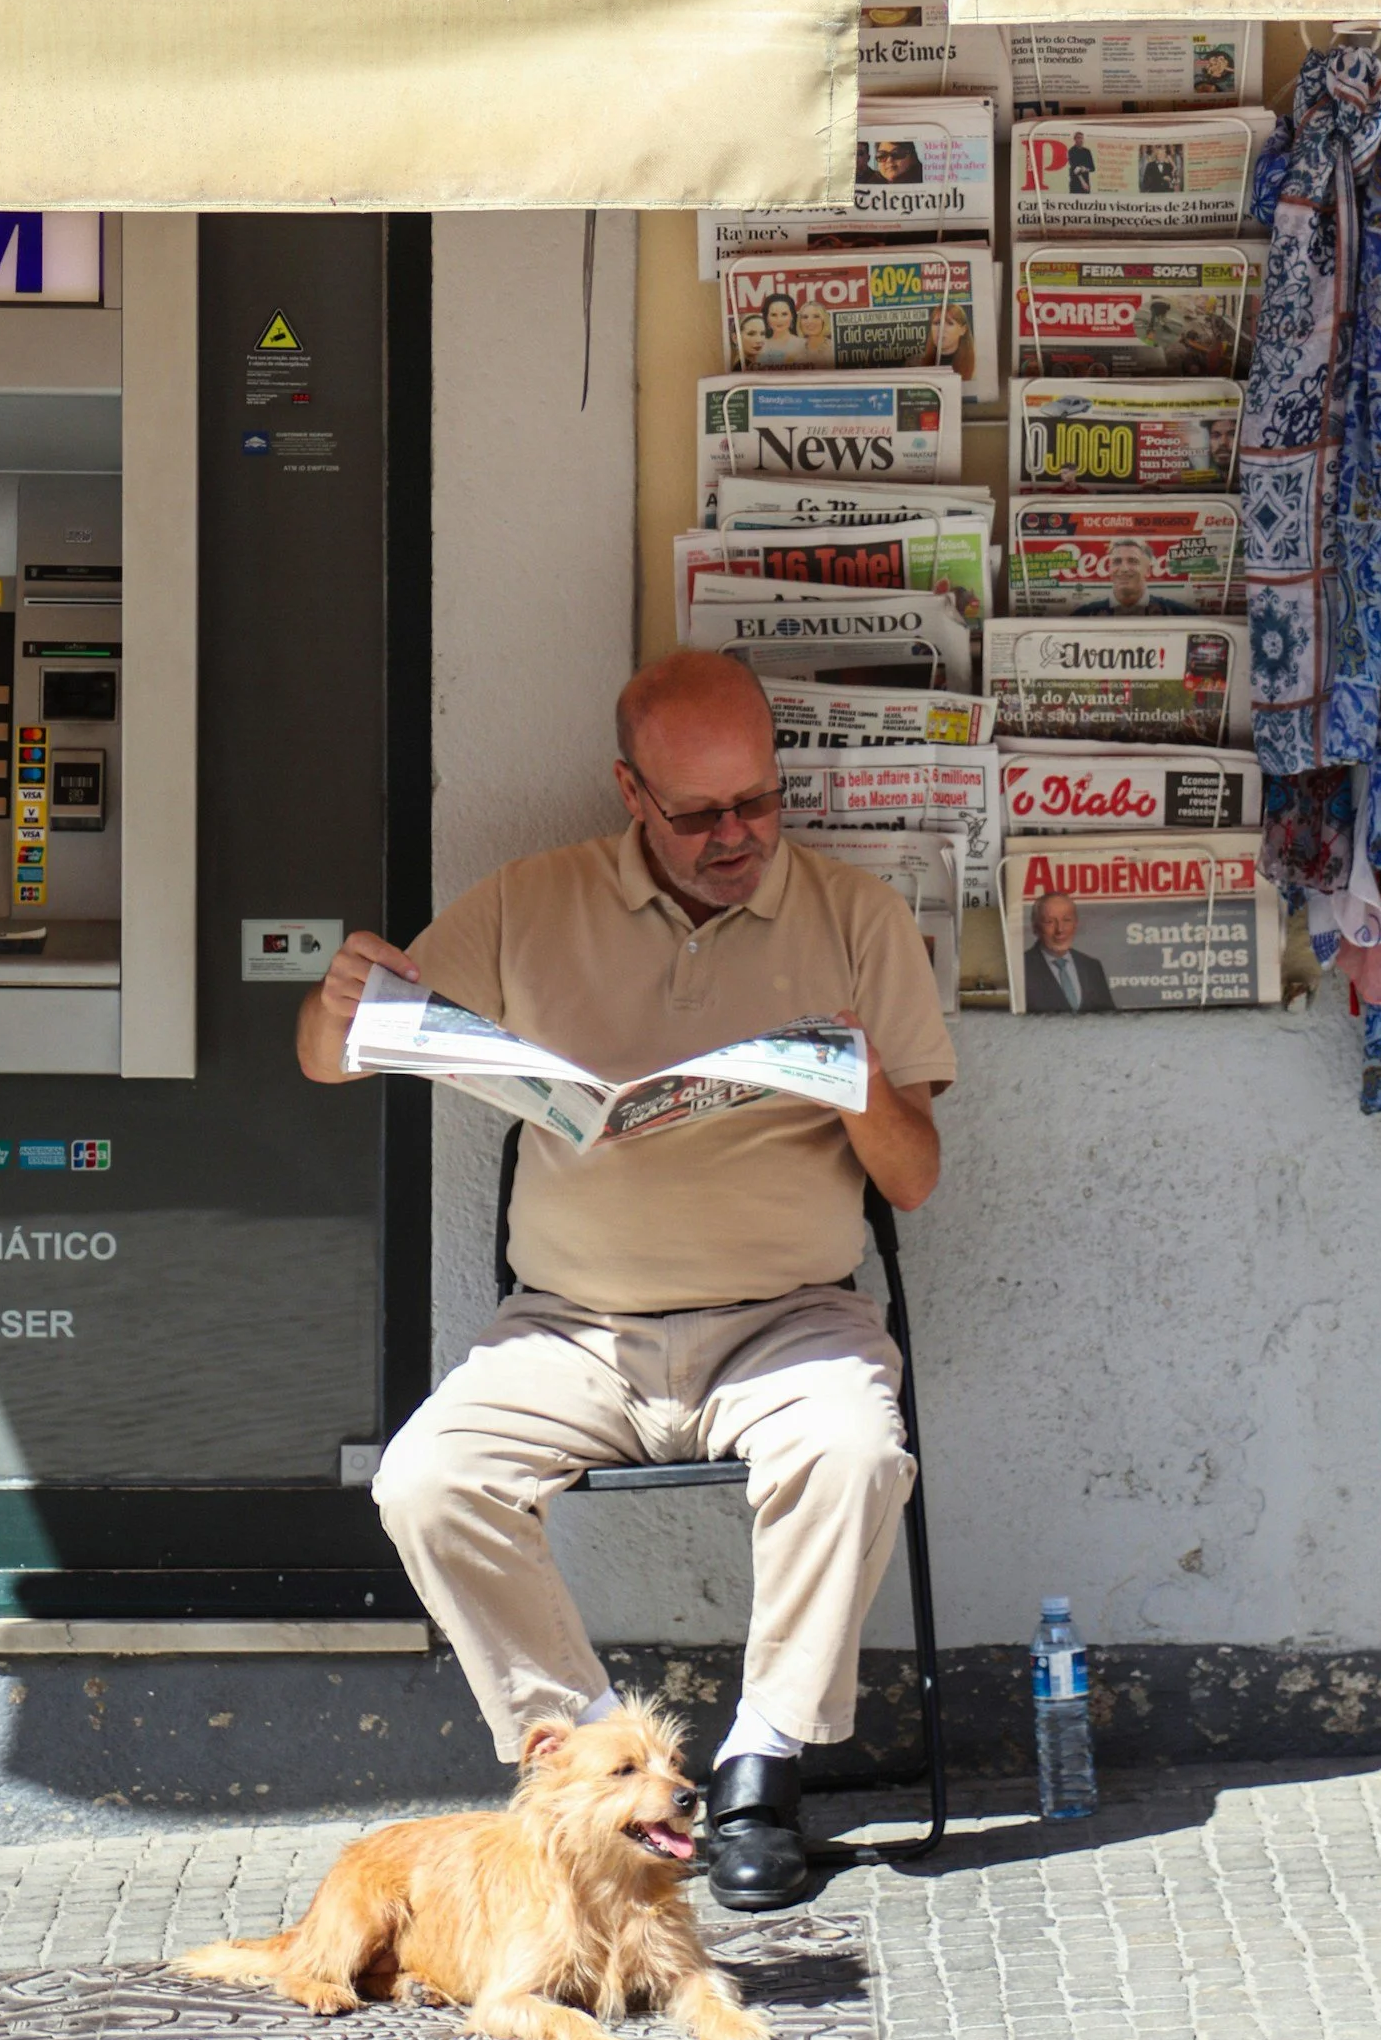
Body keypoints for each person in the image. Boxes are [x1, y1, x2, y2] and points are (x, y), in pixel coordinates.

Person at [299, 651, 955, 1911]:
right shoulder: (527, 905)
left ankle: (761, 1767)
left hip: (787, 1323)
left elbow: (913, 1177)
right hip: (570, 1330)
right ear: (628, 793)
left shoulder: (852, 917)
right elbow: (335, 1063)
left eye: (756, 803)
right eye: (698, 813)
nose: (735, 837)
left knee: (854, 1453)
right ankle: (608, 1763)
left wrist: (858, 1077)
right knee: (426, 1480)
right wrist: (337, 1008)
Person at [1022, 892, 1115, 1013]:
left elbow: (1109, 1017)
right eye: (1049, 921)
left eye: (1067, 920)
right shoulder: (1020, 968)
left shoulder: (1092, 966)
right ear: (1035, 927)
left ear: (1075, 924)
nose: (1060, 929)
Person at [1101, 534, 1181, 617]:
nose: (1124, 569)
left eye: (1132, 561)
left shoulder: (1179, 612)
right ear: (1109, 569)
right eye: (1117, 561)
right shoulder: (1088, 611)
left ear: (1148, 570)